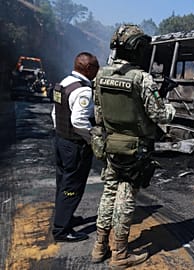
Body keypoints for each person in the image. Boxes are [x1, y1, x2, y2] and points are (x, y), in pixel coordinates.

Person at [90, 24, 175, 269]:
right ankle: (120, 254)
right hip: (135, 150)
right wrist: (168, 105)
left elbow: (98, 115)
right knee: (125, 198)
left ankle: (99, 246)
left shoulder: (101, 76)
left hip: (110, 145)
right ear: (137, 49)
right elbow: (161, 114)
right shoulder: (141, 78)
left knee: (108, 194)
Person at [51, 52, 99, 242]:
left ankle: (65, 217)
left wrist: (61, 133)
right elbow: (79, 121)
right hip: (74, 145)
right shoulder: (83, 90)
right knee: (72, 186)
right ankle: (62, 230)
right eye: (95, 68)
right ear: (87, 68)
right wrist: (91, 138)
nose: (97, 72)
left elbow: (55, 113)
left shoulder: (63, 83)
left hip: (61, 140)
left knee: (63, 182)